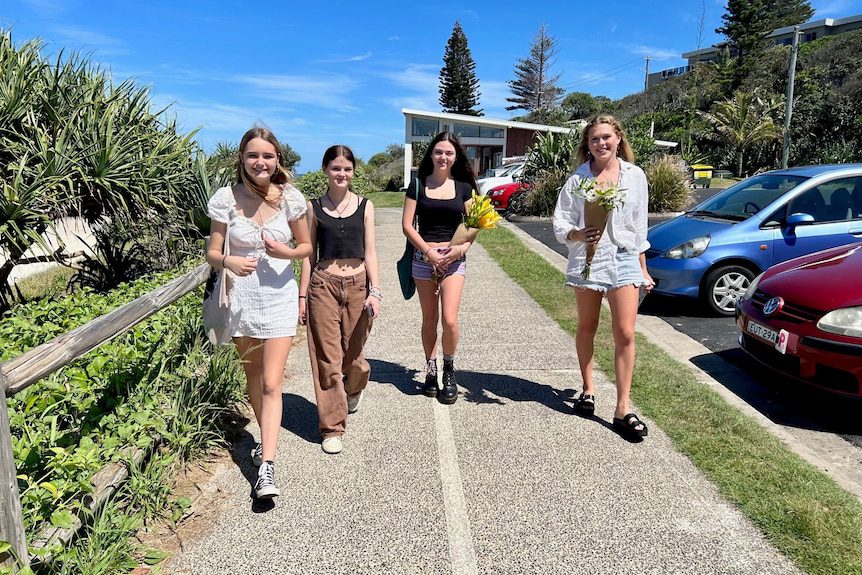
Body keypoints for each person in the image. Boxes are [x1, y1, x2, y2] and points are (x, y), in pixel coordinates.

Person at [206, 127, 312, 497]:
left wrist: (287, 253)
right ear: (242, 158)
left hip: (279, 298)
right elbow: (213, 252)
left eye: (267, 155)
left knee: (271, 383)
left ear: (277, 159)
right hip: (242, 300)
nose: (260, 162)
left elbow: (306, 247)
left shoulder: (290, 198)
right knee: (253, 379)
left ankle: (267, 466)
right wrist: (229, 261)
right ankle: (264, 442)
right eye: (253, 155)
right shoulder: (225, 199)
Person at [552, 115, 654, 440]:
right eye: (594, 139)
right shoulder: (577, 179)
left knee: (625, 332)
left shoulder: (635, 176)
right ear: (587, 144)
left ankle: (623, 408)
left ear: (618, 138)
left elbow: (638, 227)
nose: (601, 144)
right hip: (588, 259)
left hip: (624, 258)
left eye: (606, 137)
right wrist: (576, 234)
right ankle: (588, 388)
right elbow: (561, 220)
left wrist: (643, 268)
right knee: (587, 326)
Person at [298, 145, 381, 455]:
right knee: (328, 360)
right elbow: (308, 256)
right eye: (336, 168)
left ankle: (354, 388)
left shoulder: (366, 206)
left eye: (347, 169)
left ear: (353, 172)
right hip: (323, 286)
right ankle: (332, 427)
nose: (341, 174)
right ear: (325, 170)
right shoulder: (314, 207)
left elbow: (370, 252)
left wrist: (376, 291)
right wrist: (302, 296)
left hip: (358, 285)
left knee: (355, 360)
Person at [401, 132, 477, 404]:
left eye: (449, 153)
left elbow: (475, 224)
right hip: (424, 261)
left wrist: (460, 249)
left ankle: (449, 369)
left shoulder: (464, 188)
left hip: (454, 261)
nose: (443, 157)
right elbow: (407, 225)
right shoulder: (418, 185)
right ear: (431, 154)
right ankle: (431, 370)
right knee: (429, 319)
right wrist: (428, 252)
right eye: (439, 152)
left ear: (456, 157)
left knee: (450, 320)